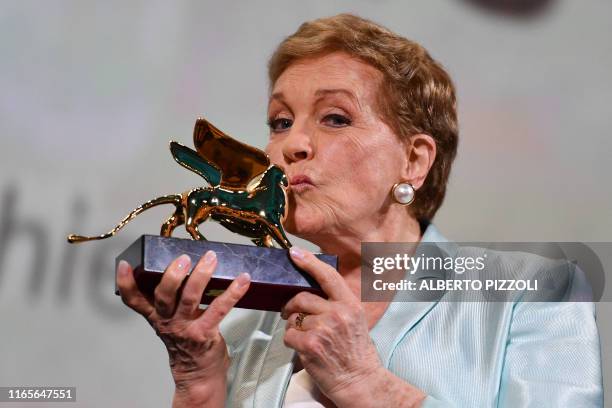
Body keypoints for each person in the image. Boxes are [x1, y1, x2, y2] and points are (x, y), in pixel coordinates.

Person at [115, 14, 603, 407]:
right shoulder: (240, 323)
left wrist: (371, 387)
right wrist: (200, 388)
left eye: (335, 118)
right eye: (280, 122)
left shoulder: (534, 295)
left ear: (414, 160)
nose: (291, 145)